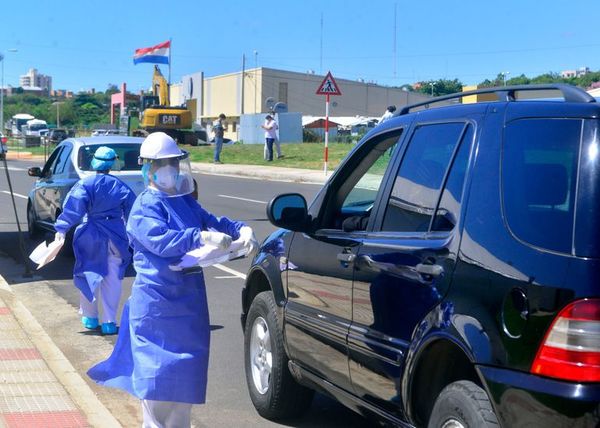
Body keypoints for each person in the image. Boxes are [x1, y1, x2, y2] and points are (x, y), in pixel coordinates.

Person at [88, 132, 258, 427]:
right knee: (158, 394)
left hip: (189, 307)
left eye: (174, 162)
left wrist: (242, 231)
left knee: (183, 396)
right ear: (147, 168)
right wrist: (199, 236)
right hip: (156, 308)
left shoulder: (185, 202)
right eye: (163, 163)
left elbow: (215, 222)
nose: (171, 169)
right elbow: (159, 240)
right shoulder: (144, 205)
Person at [54, 146, 136, 335]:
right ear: (112, 163)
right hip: (115, 235)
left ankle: (90, 318)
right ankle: (109, 321)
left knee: (88, 274)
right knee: (113, 279)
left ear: (94, 162)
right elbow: (132, 214)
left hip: (89, 235)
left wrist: (61, 229)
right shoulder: (121, 186)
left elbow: (73, 209)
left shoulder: (85, 184)